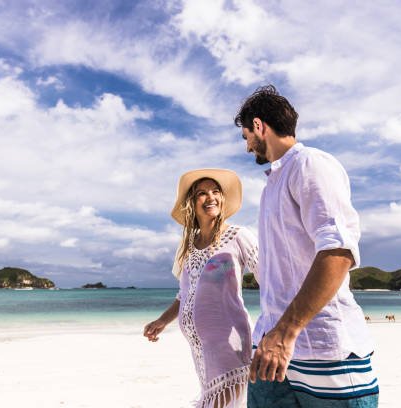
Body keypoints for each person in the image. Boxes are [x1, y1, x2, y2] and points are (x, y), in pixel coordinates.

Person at [234, 85, 379, 407]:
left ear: (258, 126)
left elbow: (338, 251)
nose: (247, 147)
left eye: (246, 137)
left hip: (324, 351)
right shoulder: (272, 184)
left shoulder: (310, 164)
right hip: (271, 349)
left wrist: (286, 333)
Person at [143, 169, 259, 408]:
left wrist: (275, 328)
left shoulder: (238, 236)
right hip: (201, 350)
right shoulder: (187, 246)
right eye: (202, 193)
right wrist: (162, 321)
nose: (211, 197)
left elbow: (269, 278)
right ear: (191, 203)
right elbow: (185, 294)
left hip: (231, 345)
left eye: (216, 191)